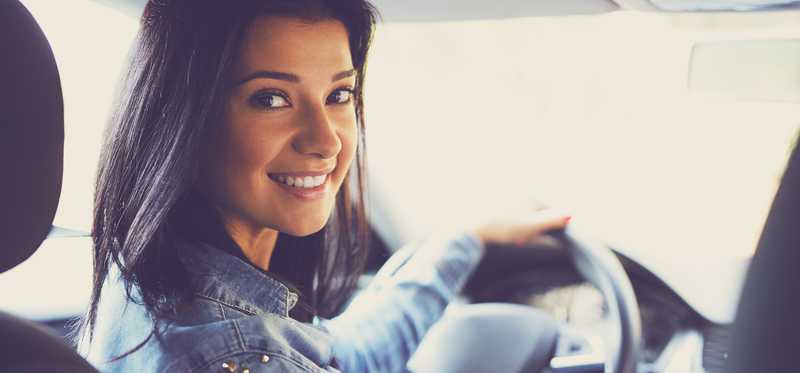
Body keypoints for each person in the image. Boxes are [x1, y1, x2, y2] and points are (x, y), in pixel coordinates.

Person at [74, 0, 571, 371]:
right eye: (271, 99)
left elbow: (344, 353)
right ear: (180, 121)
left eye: (338, 94)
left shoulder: (147, 278)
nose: (326, 140)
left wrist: (464, 240)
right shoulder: (241, 353)